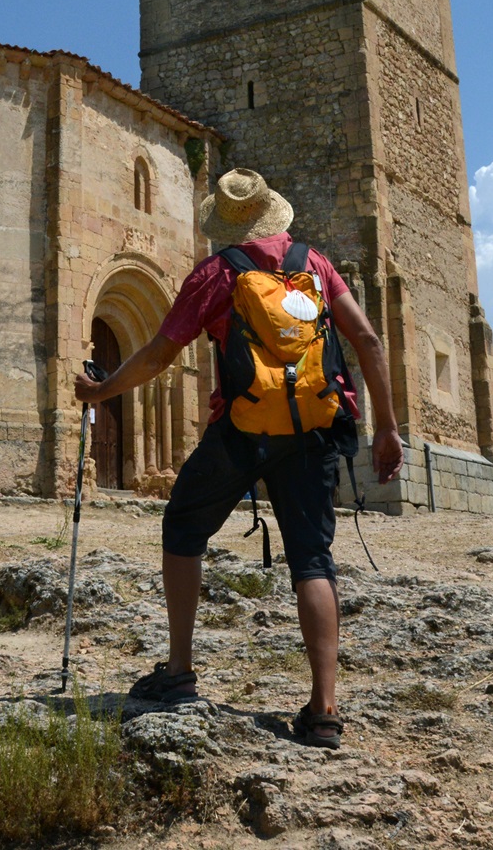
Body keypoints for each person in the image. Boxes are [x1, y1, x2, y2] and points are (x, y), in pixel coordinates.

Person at [74, 168, 404, 748]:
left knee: (183, 527)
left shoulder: (216, 273)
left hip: (241, 429)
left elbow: (159, 354)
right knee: (313, 560)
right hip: (314, 429)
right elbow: (369, 341)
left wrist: (102, 391)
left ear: (225, 222)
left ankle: (179, 672)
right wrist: (387, 429)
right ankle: (324, 711)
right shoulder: (315, 265)